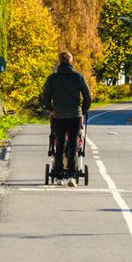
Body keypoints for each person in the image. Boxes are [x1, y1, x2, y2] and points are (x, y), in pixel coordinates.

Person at [39, 51, 92, 186]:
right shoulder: (78, 77)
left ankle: (58, 175)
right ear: (71, 61)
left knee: (59, 144)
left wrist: (51, 109)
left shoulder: (52, 78)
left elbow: (45, 98)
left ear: (59, 61)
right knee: (73, 144)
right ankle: (71, 175)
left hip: (59, 116)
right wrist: (84, 109)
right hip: (75, 116)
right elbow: (88, 96)